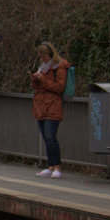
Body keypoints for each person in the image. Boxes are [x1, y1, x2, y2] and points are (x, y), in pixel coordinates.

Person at [31, 41, 71, 177]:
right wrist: (35, 79)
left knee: (50, 136)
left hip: (53, 105)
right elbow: (38, 87)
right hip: (41, 105)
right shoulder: (42, 67)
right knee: (45, 136)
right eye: (40, 57)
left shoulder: (59, 67)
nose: (42, 59)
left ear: (50, 55)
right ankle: (50, 165)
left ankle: (57, 166)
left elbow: (59, 87)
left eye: (44, 57)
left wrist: (43, 80)